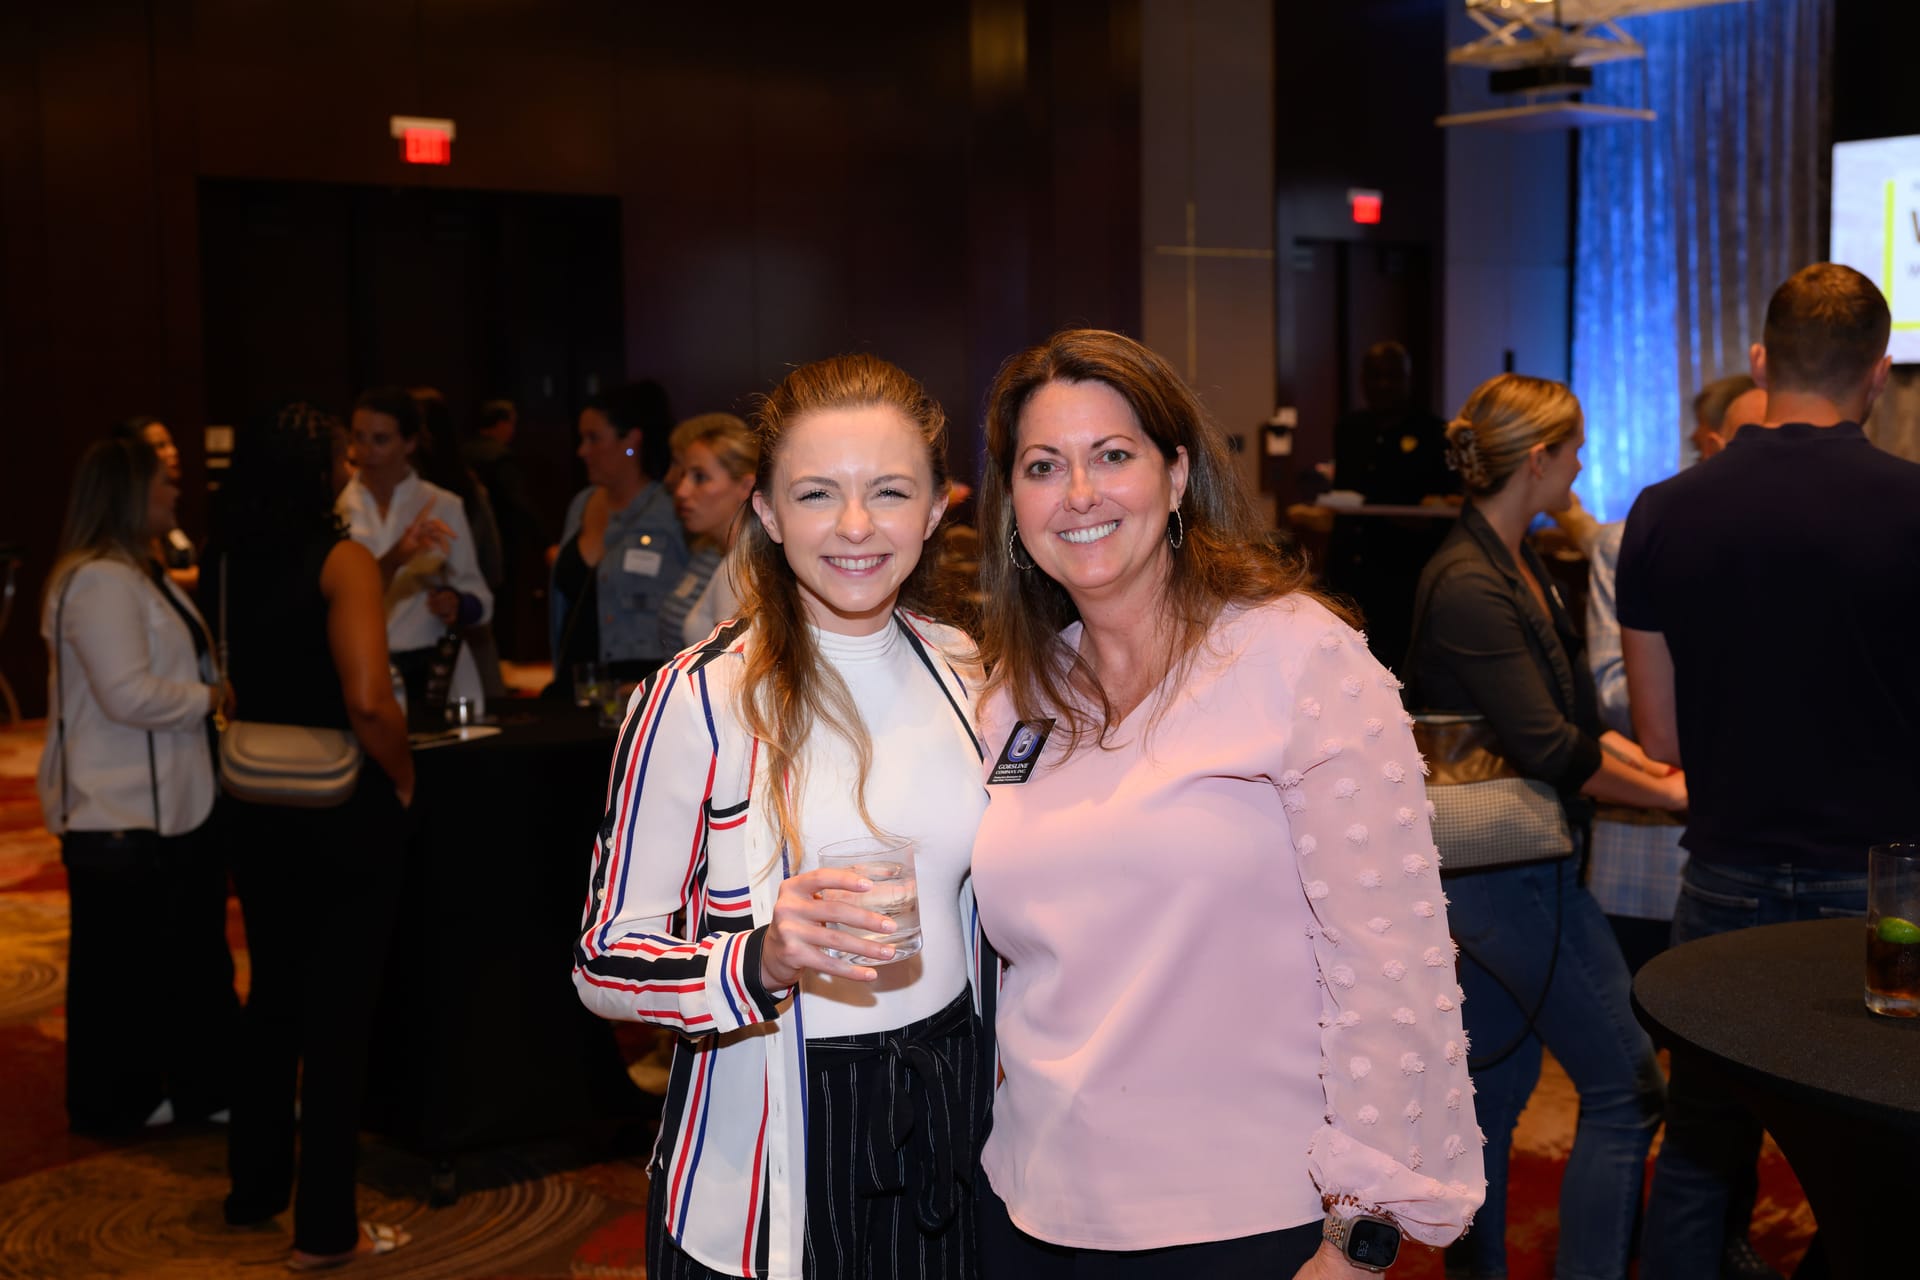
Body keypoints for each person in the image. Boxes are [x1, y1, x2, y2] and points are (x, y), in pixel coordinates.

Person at [968, 329, 1483, 1278]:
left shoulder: (1298, 658)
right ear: (1013, 505)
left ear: (1176, 475)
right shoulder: (1016, 695)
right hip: (1028, 1209)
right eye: (1044, 466)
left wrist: (1360, 1239)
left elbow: (1390, 966)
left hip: (1243, 1225)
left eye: (1113, 455)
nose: (1079, 493)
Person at [573, 354, 987, 1280]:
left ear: (936, 507)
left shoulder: (970, 673)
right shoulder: (695, 700)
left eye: (888, 491)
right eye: (814, 493)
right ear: (766, 512)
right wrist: (759, 956)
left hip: (952, 1113)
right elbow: (603, 961)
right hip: (768, 1143)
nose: (853, 526)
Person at [1622, 263, 1920, 1280]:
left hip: (1726, 870)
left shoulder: (1662, 509)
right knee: (1886, 1139)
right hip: (1879, 890)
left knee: (1705, 1139)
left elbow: (1660, 734)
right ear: (1877, 373)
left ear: (1760, 359)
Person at [1406, 373, 1683, 1280]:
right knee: (1625, 1090)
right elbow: (1550, 743)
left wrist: (1664, 774)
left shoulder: (1509, 557)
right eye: (1576, 450)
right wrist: (1676, 797)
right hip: (1508, 870)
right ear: (1539, 459)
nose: (1583, 465)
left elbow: (1570, 722)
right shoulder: (1469, 581)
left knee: (1494, 1095)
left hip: (1512, 869)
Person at [207, 403, 416, 1270]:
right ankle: (326, 1229)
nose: (346, 458)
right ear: (312, 462)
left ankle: (254, 1189)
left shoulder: (224, 556)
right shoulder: (342, 559)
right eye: (336, 447)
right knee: (338, 1018)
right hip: (339, 805)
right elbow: (369, 697)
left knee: (274, 999)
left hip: (255, 799)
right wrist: (403, 776)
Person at [37, 435, 237, 1135]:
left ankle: (195, 1086)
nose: (175, 493)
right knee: (122, 970)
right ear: (128, 495)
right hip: (122, 806)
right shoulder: (99, 579)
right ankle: (117, 1100)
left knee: (170, 956)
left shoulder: (130, 571)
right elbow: (125, 694)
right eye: (161, 484)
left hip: (158, 801)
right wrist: (211, 697)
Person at [1585, 381, 1761, 975]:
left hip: (1761, 846)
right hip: (1647, 850)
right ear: (1713, 444)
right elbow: (1614, 693)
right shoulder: (1631, 536)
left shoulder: (1795, 539)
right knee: (1642, 1044)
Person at [336, 386, 494, 713]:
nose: (366, 451)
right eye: (359, 437)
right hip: (359, 667)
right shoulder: (337, 508)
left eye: (380, 440)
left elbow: (481, 598)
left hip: (429, 665)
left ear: (408, 443)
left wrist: (457, 603)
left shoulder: (442, 505)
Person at [1323, 341, 1457, 668]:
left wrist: (1426, 518)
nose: (1383, 385)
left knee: (1396, 664)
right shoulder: (1350, 428)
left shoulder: (1435, 433)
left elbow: (1449, 506)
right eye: (1375, 376)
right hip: (1349, 571)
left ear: (1408, 379)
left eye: (1393, 377)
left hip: (1403, 575)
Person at [550, 381, 690, 681]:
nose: (582, 451)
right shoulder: (581, 504)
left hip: (642, 684)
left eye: (593, 438)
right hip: (575, 680)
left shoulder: (672, 509)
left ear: (632, 440)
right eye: (581, 439)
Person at [412, 386, 506, 700]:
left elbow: (489, 563)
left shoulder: (447, 499)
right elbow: (493, 562)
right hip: (464, 628)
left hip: (457, 633)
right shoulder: (465, 485)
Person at [661, 411, 757, 649]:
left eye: (700, 477)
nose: (681, 491)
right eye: (684, 475)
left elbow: (734, 675)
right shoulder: (735, 559)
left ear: (746, 486)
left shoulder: (742, 569)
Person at [116, 415, 201, 591]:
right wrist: (203, 576)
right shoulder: (136, 514)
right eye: (161, 446)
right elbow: (151, 578)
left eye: (171, 444)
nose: (173, 452)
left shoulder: (163, 510)